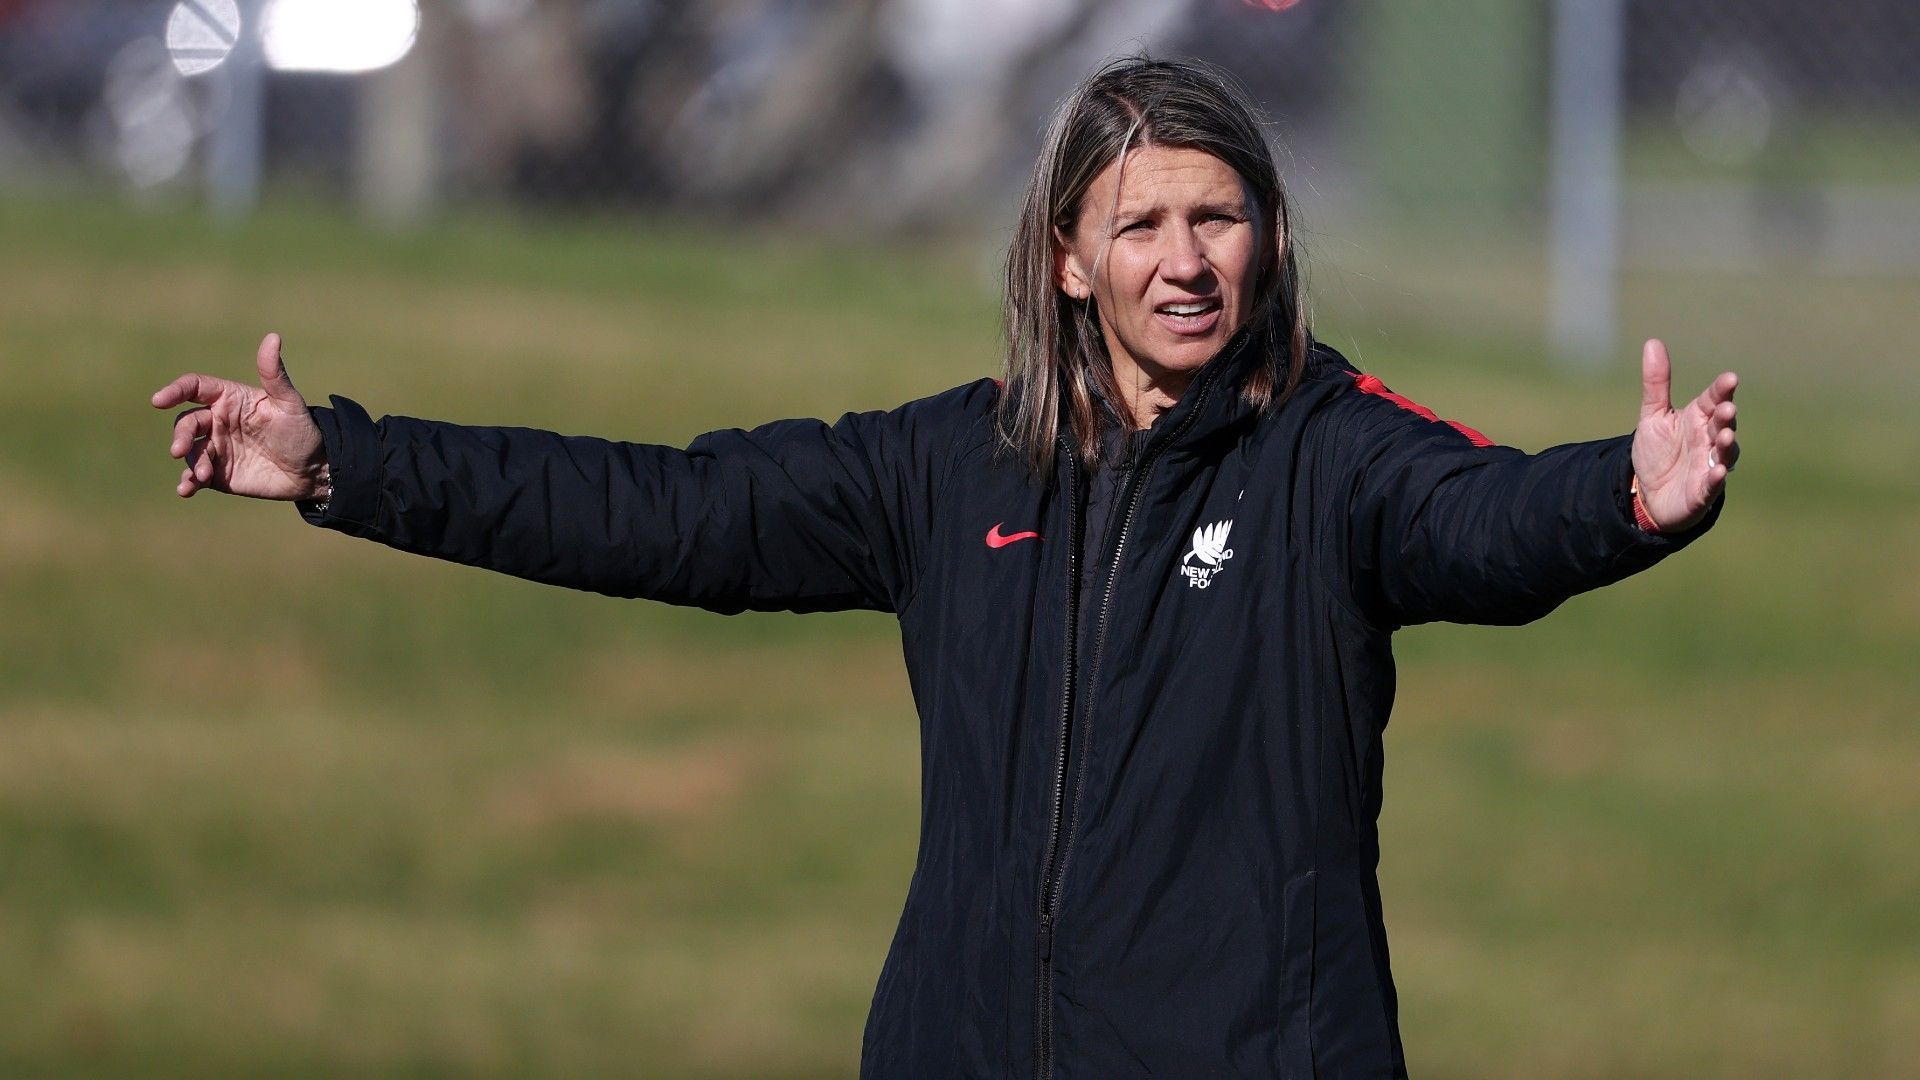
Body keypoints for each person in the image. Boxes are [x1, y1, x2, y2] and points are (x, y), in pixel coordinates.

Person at [150, 57, 1738, 1080]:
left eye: (1220, 219)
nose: (1186, 262)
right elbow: (665, 509)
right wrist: (344, 463)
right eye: (1141, 226)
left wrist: (1626, 494)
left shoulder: (1331, 451)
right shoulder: (953, 465)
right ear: (1068, 259)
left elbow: (1482, 521)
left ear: (1268, 238)